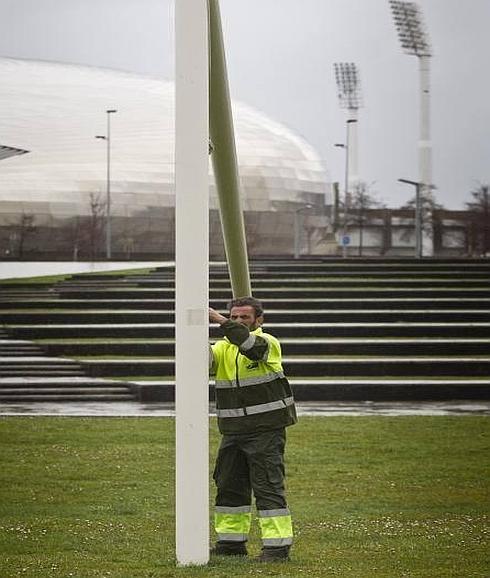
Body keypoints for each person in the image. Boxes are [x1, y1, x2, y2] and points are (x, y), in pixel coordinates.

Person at [209, 296, 297, 562]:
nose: (237, 321)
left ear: (259, 320)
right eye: (233, 317)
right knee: (228, 486)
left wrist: (221, 321)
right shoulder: (222, 348)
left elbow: (251, 348)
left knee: (267, 486)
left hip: (265, 430)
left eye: (244, 317)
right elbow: (202, 363)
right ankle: (230, 544)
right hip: (233, 431)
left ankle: (277, 548)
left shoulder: (266, 343)